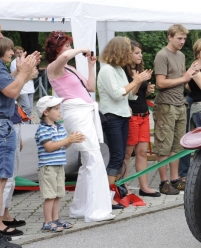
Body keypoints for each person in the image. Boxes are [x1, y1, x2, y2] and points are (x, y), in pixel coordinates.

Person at [45, 31, 115, 223]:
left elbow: (91, 87)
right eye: (66, 45)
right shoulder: (53, 68)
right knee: (93, 157)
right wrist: (82, 49)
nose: (68, 49)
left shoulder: (70, 69)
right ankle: (96, 210)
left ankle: (81, 208)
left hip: (86, 111)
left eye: (69, 45)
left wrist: (91, 66)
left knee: (88, 160)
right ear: (56, 49)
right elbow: (66, 56)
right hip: (75, 113)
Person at [0, 15, 40, 248]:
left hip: (0, 124)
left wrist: (23, 73)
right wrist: (23, 72)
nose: (1, 36)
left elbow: (3, 87)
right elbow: (11, 91)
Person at [98, 37, 152, 207]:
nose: (130, 53)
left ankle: (116, 191)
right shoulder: (106, 70)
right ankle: (108, 195)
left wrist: (138, 83)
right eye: (128, 50)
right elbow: (116, 93)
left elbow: (130, 95)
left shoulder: (119, 70)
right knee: (116, 157)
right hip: (112, 117)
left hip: (122, 116)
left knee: (120, 156)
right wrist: (136, 81)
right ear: (119, 51)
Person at [153, 24, 200, 195]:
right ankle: (163, 182)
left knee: (177, 146)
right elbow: (161, 83)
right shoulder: (162, 55)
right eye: (179, 38)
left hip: (180, 104)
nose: (182, 42)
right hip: (165, 105)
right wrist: (184, 78)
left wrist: (193, 81)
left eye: (184, 39)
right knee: (163, 145)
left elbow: (183, 81)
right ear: (170, 37)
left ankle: (175, 179)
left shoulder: (180, 55)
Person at [34, 96, 84, 232]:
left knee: (57, 194)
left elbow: (63, 146)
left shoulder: (59, 127)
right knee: (49, 195)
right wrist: (67, 139)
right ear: (46, 112)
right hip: (48, 167)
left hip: (59, 165)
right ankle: (47, 222)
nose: (60, 111)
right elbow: (49, 147)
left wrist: (72, 140)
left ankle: (55, 219)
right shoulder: (43, 129)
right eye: (56, 109)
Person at [123, 40, 158, 197]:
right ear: (128, 54)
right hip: (131, 117)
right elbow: (129, 95)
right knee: (127, 153)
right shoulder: (122, 73)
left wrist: (148, 91)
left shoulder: (140, 71)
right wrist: (137, 82)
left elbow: (139, 95)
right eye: (137, 53)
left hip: (144, 115)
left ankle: (144, 187)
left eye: (140, 53)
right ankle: (123, 186)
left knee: (142, 152)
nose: (140, 55)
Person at [10, 46, 35, 119]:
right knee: (26, 107)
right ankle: (21, 119)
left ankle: (28, 124)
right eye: (17, 53)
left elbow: (34, 73)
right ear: (14, 54)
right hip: (22, 88)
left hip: (30, 87)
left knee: (30, 108)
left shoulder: (27, 61)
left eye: (21, 52)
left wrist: (31, 74)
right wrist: (29, 74)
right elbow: (18, 75)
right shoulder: (14, 63)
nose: (19, 54)